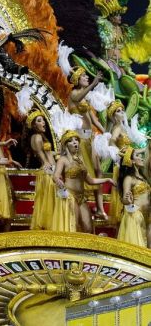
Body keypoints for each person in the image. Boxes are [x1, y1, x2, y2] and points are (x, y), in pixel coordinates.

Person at [52, 130, 113, 233]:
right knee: (73, 226)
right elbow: (55, 176)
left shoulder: (80, 161)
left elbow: (90, 180)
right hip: (70, 197)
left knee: (88, 228)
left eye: (76, 140)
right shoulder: (63, 160)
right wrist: (58, 180)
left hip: (81, 197)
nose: (75, 142)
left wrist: (107, 179)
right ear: (66, 145)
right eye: (71, 141)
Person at [67, 67, 107, 219]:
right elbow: (77, 98)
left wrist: (105, 132)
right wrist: (94, 83)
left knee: (98, 171)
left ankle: (100, 208)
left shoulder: (85, 98)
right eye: (84, 76)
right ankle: (84, 208)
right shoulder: (74, 94)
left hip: (91, 139)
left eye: (86, 76)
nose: (87, 77)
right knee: (85, 173)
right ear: (77, 79)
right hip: (80, 139)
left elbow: (94, 119)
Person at [25, 110, 56, 230]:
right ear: (33, 125)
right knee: (49, 202)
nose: (43, 122)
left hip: (47, 170)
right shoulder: (37, 137)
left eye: (43, 120)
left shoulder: (38, 136)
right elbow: (41, 155)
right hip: (47, 171)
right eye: (39, 121)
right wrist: (50, 167)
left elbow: (46, 152)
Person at [117, 146, 151, 248]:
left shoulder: (143, 177)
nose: (141, 158)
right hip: (136, 217)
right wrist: (127, 201)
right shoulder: (128, 178)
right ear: (131, 161)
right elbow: (124, 199)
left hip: (147, 217)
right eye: (137, 156)